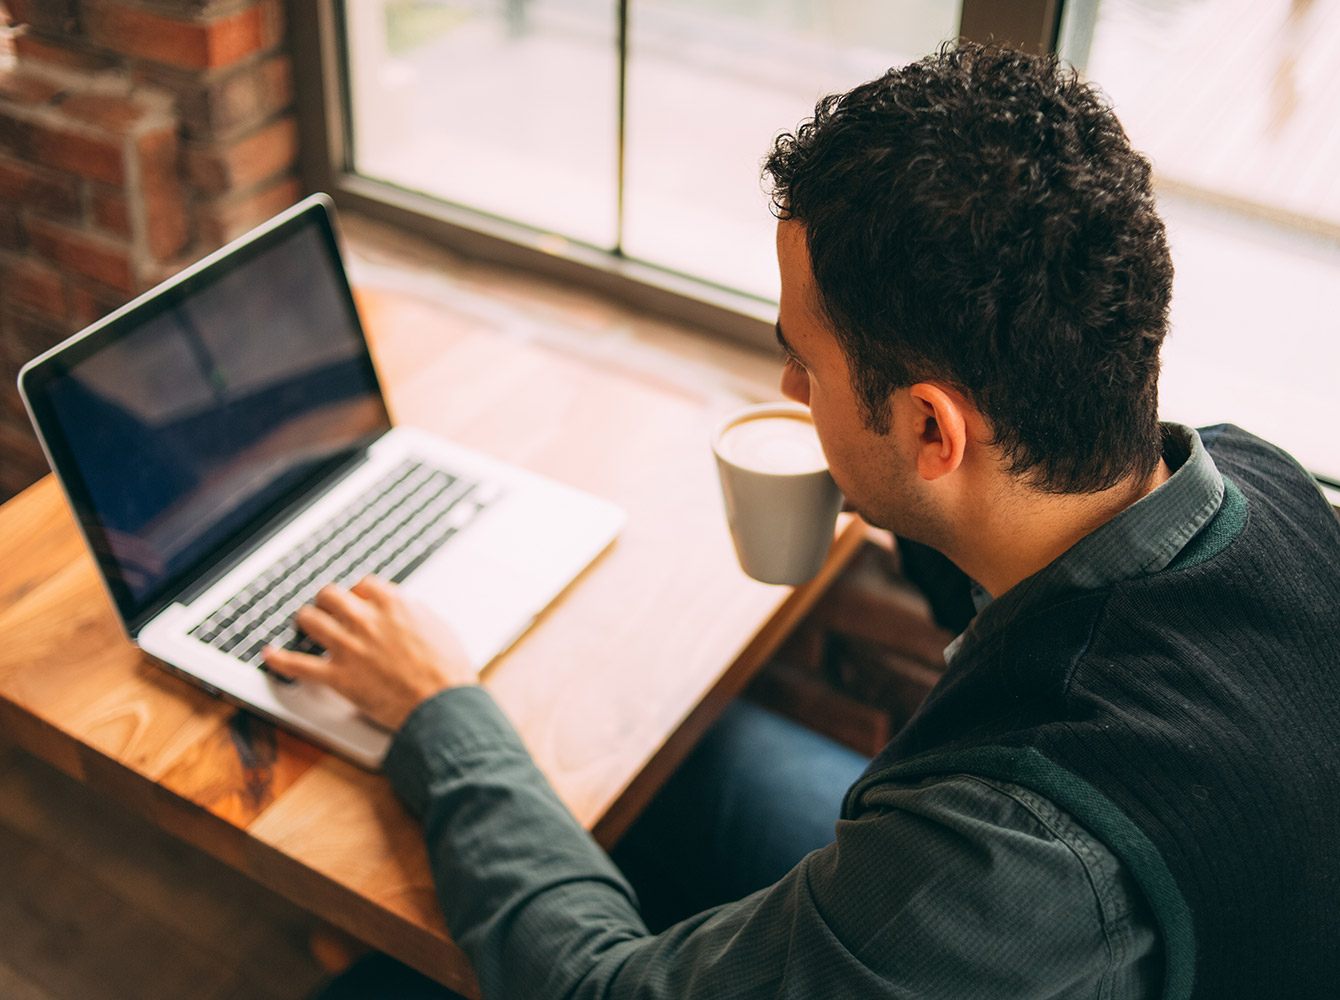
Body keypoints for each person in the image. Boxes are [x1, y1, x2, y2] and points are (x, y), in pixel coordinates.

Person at [265, 41, 1340, 1000]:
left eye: (806, 361)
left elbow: (600, 987)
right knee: (688, 765)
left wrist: (439, 709)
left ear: (933, 428)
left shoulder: (1009, 852)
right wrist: (888, 488)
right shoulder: (1257, 480)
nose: (787, 384)